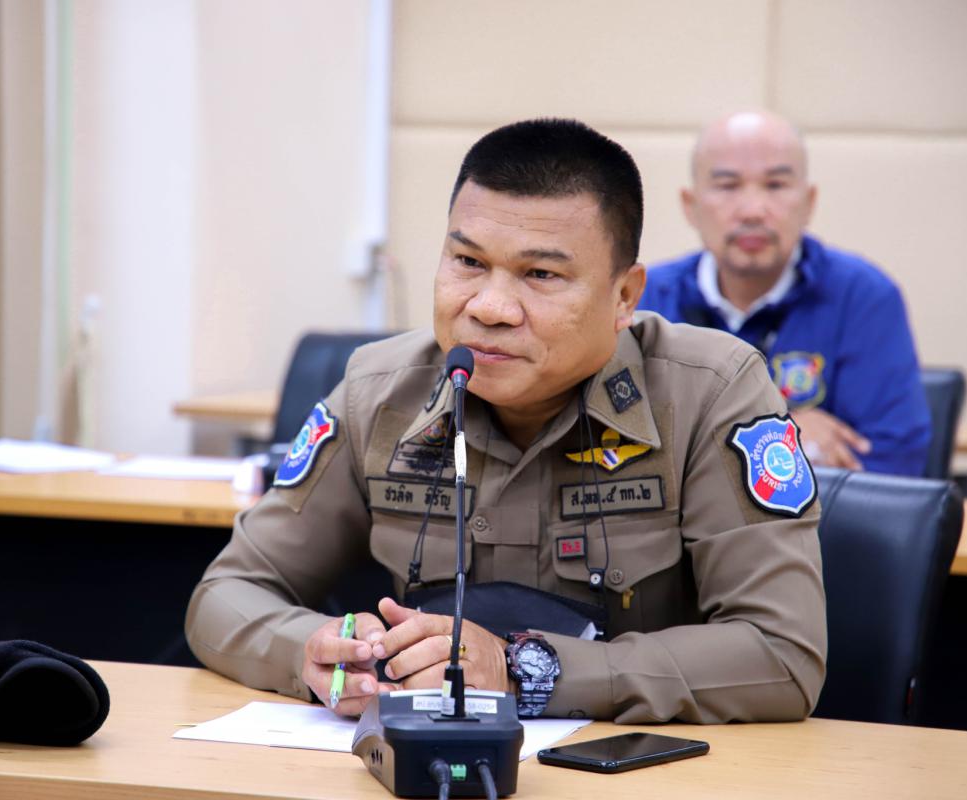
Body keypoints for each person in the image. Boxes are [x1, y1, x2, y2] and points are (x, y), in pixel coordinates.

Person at [186, 118, 826, 725]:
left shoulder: (710, 393)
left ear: (624, 296)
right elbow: (227, 592)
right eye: (467, 262)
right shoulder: (377, 393)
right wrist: (314, 651)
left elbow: (782, 654)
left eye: (540, 274)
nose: (489, 307)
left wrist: (525, 672)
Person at [638, 111, 931, 475]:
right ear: (690, 206)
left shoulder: (864, 297)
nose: (753, 211)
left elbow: (893, 462)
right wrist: (780, 434)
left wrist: (699, 449)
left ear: (808, 203)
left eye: (775, 185)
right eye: (727, 186)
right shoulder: (644, 300)